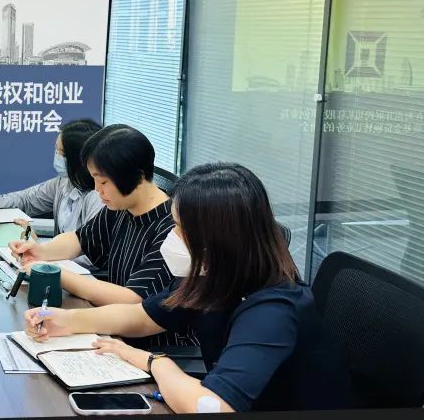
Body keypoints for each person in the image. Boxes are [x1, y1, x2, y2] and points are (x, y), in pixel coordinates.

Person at [23, 163, 353, 413]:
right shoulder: (215, 276)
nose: (171, 237)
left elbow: (212, 407)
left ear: (217, 240)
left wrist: (157, 362)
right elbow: (142, 317)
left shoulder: (273, 311)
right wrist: (64, 321)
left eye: (180, 228)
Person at [9, 124, 185, 347]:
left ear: (137, 177)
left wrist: (58, 275)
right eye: (94, 179)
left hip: (154, 344)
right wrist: (41, 251)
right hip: (113, 328)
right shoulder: (121, 206)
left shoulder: (172, 228)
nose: (97, 189)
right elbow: (80, 239)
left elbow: (132, 299)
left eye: (103, 182)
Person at [0, 118, 104, 237]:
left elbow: (88, 250)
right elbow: (28, 200)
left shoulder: (98, 197)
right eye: (56, 150)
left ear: (80, 159)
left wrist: (36, 243)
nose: (57, 156)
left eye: (63, 153)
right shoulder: (64, 182)